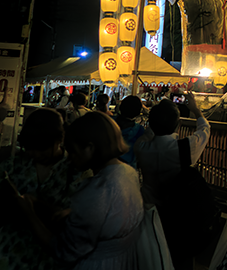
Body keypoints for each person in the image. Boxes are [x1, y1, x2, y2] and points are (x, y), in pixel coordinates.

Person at [13, 112, 145, 269]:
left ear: (89, 148)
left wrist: (29, 213)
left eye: (73, 151)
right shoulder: (128, 172)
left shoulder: (95, 190)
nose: (69, 158)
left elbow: (63, 251)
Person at [0, 108, 90, 270]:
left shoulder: (77, 170)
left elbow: (82, 219)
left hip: (54, 256)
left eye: (42, 148)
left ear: (60, 139)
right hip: (8, 254)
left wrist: (35, 207)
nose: (36, 154)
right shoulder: (11, 166)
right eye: (30, 148)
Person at [135, 95, 211, 270]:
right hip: (180, 214)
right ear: (178, 125)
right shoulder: (185, 148)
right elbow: (205, 129)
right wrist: (195, 109)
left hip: (148, 211)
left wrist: (155, 113)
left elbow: (149, 132)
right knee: (182, 259)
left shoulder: (142, 147)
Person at [112, 95, 145, 169]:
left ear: (120, 107)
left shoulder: (109, 122)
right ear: (138, 112)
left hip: (105, 165)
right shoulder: (140, 130)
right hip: (128, 168)